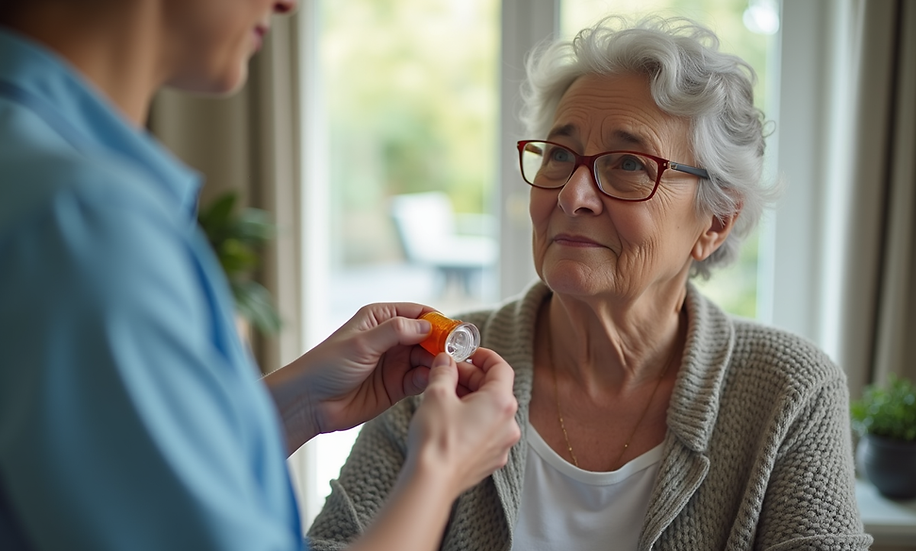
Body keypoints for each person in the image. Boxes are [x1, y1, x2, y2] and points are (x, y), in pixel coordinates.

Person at [0, 1, 521, 550]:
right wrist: (441, 468)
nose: (291, 3)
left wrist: (298, 404)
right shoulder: (81, 224)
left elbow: (96, 470)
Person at [307, 15, 874, 550]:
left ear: (716, 222)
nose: (572, 195)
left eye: (628, 164)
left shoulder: (791, 392)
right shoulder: (438, 365)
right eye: (559, 154)